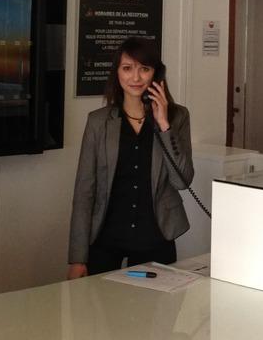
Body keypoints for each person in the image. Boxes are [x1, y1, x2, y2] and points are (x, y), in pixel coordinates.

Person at [68, 37, 194, 278]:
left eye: (144, 69)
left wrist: (164, 125)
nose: (135, 78)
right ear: (117, 72)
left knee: (156, 303)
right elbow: (84, 191)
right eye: (127, 68)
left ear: (156, 74)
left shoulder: (178, 117)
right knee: (99, 302)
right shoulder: (98, 122)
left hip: (156, 236)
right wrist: (77, 257)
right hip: (106, 236)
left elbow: (182, 181)